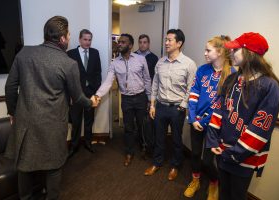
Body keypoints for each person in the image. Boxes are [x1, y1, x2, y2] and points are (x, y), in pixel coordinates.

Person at [4, 16, 98, 200]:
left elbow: (10, 87)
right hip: (53, 123)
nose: (69, 37)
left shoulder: (24, 53)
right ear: (62, 38)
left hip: (26, 121)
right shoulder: (68, 63)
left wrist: (13, 112)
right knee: (54, 166)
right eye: (69, 34)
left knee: (24, 165)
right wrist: (91, 102)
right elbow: (78, 97)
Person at [206, 32, 279, 200]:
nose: (231, 53)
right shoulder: (232, 78)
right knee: (223, 193)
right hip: (221, 151)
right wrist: (212, 140)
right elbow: (219, 109)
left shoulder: (270, 86)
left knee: (237, 195)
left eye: (235, 49)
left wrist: (233, 153)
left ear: (249, 53)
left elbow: (260, 131)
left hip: (243, 158)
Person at [184, 35, 236, 200]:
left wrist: (204, 121)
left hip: (215, 125)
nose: (205, 53)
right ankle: (195, 181)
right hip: (196, 121)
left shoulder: (232, 74)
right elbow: (194, 94)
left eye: (208, 50)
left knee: (207, 161)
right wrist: (193, 118)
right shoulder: (202, 69)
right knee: (194, 154)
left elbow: (222, 105)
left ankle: (214, 183)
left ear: (220, 52)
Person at [144, 29, 197, 181]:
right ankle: (157, 162)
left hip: (176, 108)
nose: (166, 43)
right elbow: (155, 84)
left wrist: (183, 106)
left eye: (169, 40)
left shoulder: (189, 64)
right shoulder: (160, 62)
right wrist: (152, 104)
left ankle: (175, 165)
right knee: (159, 137)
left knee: (176, 139)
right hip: (160, 106)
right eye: (166, 39)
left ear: (179, 43)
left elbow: (191, 88)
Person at [95, 33, 152, 167]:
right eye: (119, 42)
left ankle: (144, 147)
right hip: (126, 99)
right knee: (128, 128)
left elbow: (147, 80)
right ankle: (129, 152)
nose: (119, 44)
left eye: (123, 42)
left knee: (142, 125)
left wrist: (150, 99)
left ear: (131, 45)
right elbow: (108, 82)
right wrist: (98, 95)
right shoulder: (115, 63)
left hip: (140, 98)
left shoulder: (140, 59)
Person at [67, 29, 102, 155]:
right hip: (76, 93)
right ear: (80, 39)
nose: (87, 42)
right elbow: (68, 75)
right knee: (76, 121)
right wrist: (70, 94)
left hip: (90, 93)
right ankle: (74, 145)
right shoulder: (70, 54)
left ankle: (88, 142)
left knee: (89, 120)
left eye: (89, 39)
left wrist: (96, 91)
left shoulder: (95, 53)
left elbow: (98, 73)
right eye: (85, 39)